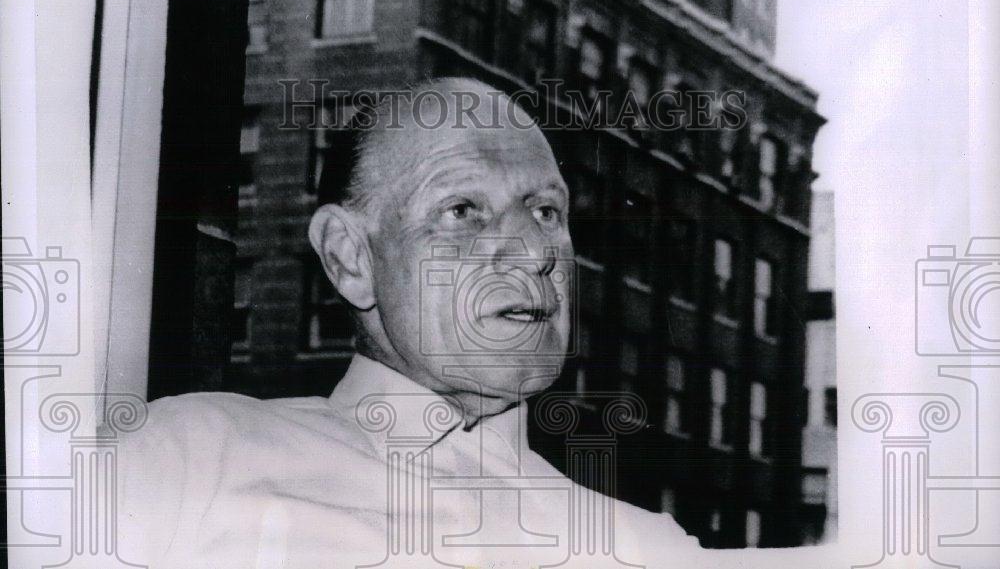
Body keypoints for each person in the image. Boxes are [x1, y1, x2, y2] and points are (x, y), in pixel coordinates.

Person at [116, 78, 703, 569]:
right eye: (463, 211)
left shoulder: (648, 548)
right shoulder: (189, 458)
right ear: (350, 257)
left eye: (547, 211)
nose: (534, 252)